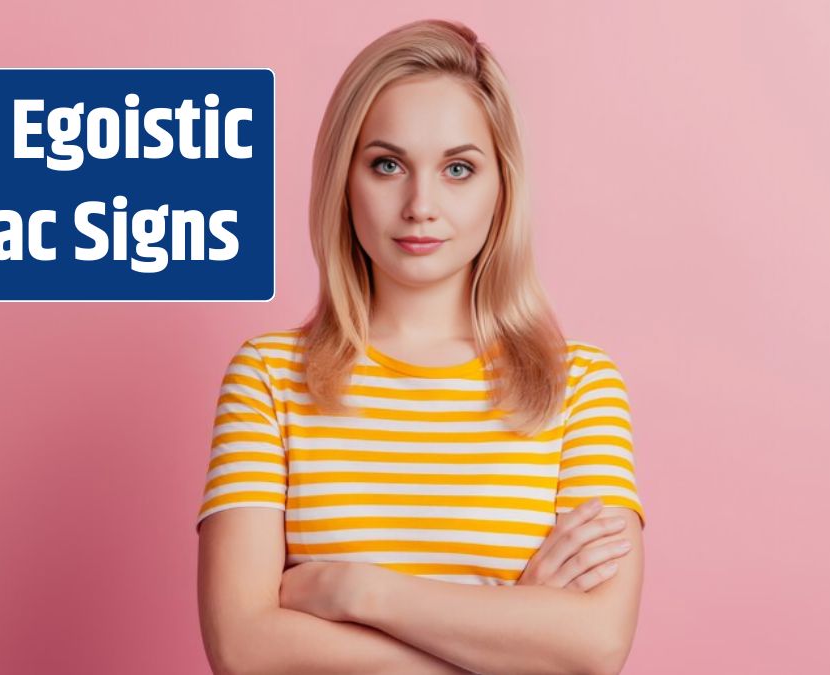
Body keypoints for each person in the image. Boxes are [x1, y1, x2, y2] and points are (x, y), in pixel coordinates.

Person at [197, 19, 646, 675]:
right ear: (343, 179)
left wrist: (356, 590)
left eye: (458, 168)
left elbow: (595, 646)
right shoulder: (267, 378)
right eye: (387, 164)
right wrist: (512, 634)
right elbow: (243, 651)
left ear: (501, 187)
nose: (421, 204)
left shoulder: (578, 384)